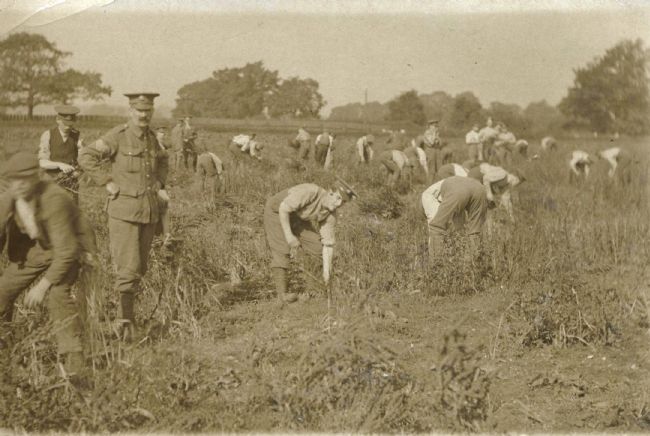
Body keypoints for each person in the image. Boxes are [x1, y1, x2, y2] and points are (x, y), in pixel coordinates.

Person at [78, 92, 169, 340]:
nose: (143, 115)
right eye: (139, 110)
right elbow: (86, 155)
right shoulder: (118, 137)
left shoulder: (152, 139)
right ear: (130, 111)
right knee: (128, 268)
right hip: (124, 213)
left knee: (140, 267)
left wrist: (161, 182)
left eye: (147, 111)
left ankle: (127, 317)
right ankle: (125, 323)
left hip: (148, 212)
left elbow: (163, 160)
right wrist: (106, 181)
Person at [0, 152, 96, 374]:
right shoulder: (11, 195)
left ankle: (74, 361)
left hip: (71, 250)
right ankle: (6, 349)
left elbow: (66, 250)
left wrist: (42, 287)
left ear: (37, 176)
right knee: (3, 291)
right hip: (36, 251)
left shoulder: (54, 199)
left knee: (57, 296)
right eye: (15, 181)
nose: (20, 186)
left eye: (25, 180)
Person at [264, 179, 357, 304]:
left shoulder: (330, 214)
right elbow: (284, 209)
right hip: (276, 212)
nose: (339, 204)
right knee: (282, 249)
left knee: (316, 246)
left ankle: (312, 290)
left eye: (343, 202)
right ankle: (282, 295)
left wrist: (326, 274)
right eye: (338, 198)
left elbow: (327, 245)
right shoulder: (310, 192)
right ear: (330, 192)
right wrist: (290, 236)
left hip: (297, 217)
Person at [421, 176, 487, 260]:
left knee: (436, 227)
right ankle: (472, 263)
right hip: (479, 188)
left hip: (457, 190)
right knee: (474, 230)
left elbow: (435, 225)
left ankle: (436, 265)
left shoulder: (426, 196)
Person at [37, 105, 84, 200]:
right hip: (51, 183)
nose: (68, 127)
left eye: (70, 124)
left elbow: (82, 161)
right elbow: (42, 162)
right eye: (65, 123)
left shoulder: (77, 136)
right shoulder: (48, 135)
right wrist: (60, 165)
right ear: (58, 120)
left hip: (71, 184)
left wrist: (79, 167)